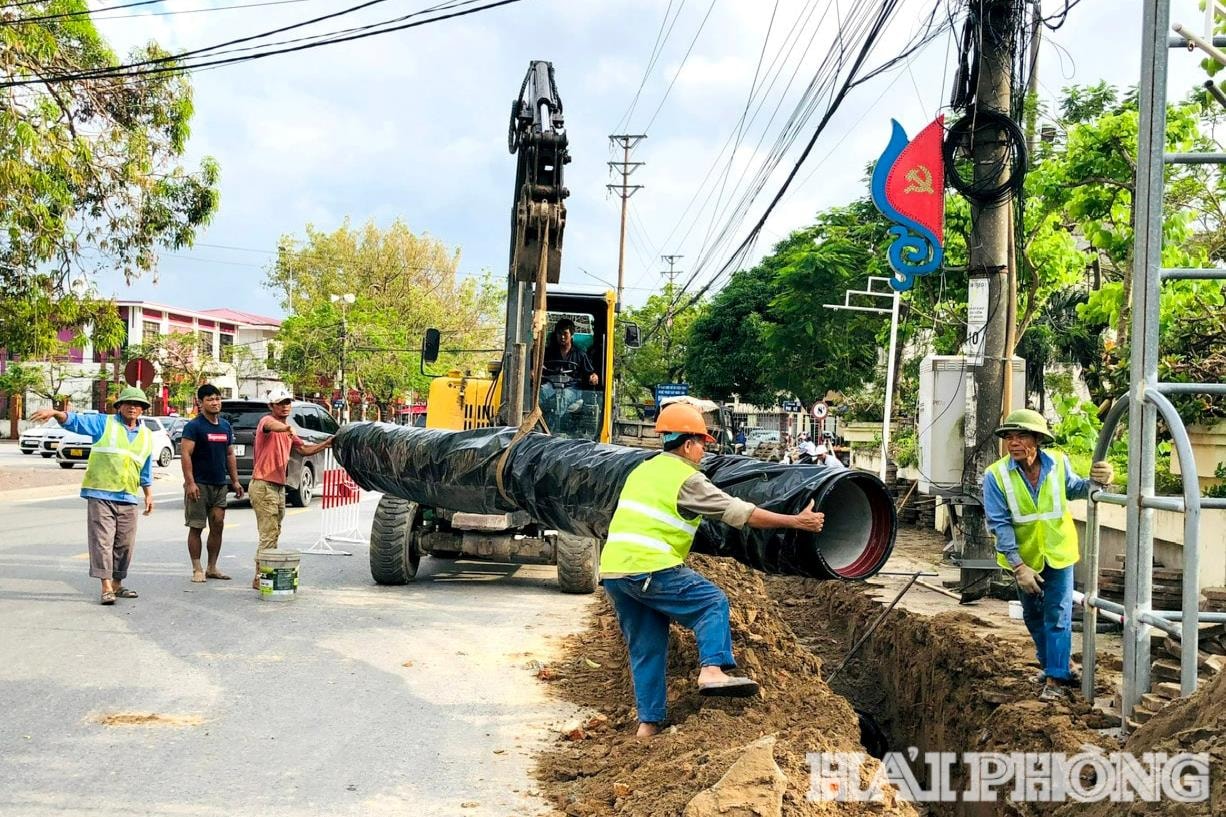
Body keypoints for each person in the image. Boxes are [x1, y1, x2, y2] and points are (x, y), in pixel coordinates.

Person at [599, 402, 827, 738]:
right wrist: (795, 521)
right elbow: (740, 513)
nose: (705, 451)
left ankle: (648, 725)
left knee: (647, 648)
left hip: (616, 572)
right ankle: (712, 670)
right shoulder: (687, 479)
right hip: (648, 567)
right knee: (711, 603)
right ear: (688, 444)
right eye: (703, 444)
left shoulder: (643, 470)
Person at [982, 409, 1113, 702]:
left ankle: (1055, 678)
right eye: (1009, 437)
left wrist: (1100, 481)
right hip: (1025, 559)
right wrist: (1019, 567)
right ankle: (1057, 663)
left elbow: (1077, 489)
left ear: (1038, 439)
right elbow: (999, 524)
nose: (1014, 443)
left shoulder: (1058, 465)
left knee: (1057, 614)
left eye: (1021, 436)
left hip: (1059, 553)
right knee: (1033, 615)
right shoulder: (996, 476)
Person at [31, 388, 155, 605]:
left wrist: (148, 493)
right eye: (128, 403)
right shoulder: (104, 424)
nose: (133, 407)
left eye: (138, 404)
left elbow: (144, 466)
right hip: (100, 493)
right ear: (119, 406)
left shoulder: (146, 435)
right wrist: (56, 413)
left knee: (124, 543)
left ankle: (117, 583)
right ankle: (106, 586)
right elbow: (77, 422)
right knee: (103, 541)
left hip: (127, 495)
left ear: (143, 409)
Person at [248, 389, 334, 589]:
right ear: (272, 406)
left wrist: (326, 444)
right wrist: (287, 430)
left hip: (278, 487)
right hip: (263, 484)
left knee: (275, 532)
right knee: (268, 535)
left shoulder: (287, 429)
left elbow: (304, 449)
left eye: (287, 402)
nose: (285, 406)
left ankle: (262, 574)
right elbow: (271, 425)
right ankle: (260, 577)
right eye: (280, 403)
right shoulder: (268, 423)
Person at [180, 384, 244, 583]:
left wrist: (235, 481)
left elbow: (229, 453)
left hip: (219, 484)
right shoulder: (194, 426)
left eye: (217, 398)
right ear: (200, 403)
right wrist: (190, 483)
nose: (215, 402)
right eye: (210, 399)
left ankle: (212, 567)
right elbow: (185, 454)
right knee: (196, 527)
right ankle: (197, 568)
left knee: (218, 524)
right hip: (199, 484)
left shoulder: (225, 426)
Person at [539, 318, 598, 429]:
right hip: (550, 386)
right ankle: (538, 426)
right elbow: (538, 368)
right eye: (559, 334)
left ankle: (554, 429)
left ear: (571, 335)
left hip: (572, 388)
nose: (562, 337)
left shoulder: (580, 354)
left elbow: (590, 373)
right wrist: (534, 371)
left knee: (561, 397)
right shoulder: (547, 353)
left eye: (565, 334)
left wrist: (593, 376)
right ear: (555, 335)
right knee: (540, 394)